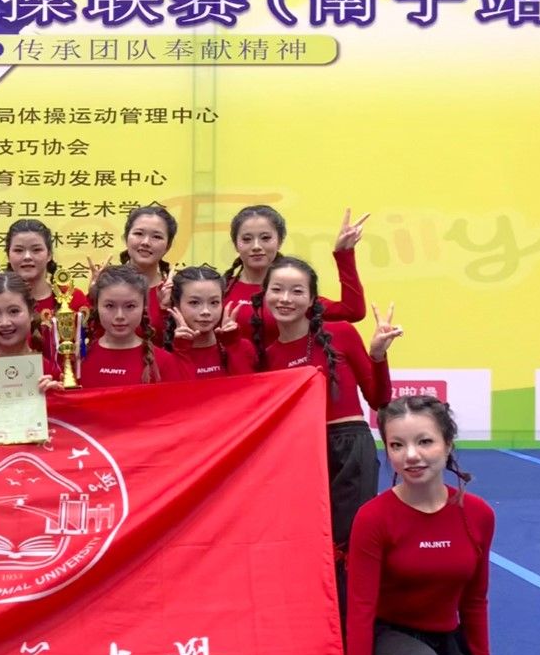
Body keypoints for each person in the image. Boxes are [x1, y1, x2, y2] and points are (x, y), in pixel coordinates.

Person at [347, 397, 500, 655]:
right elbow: (360, 613)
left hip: (449, 652)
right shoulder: (373, 518)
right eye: (397, 445)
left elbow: (474, 602)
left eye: (425, 441)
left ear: (448, 444)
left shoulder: (478, 514)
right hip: (391, 650)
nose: (411, 456)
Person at [253, 257, 402, 598]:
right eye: (277, 290)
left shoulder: (342, 334)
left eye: (297, 291)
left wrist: (378, 356)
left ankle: (353, 617)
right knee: (307, 540)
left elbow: (379, 398)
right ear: (264, 296)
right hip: (299, 454)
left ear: (312, 299)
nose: (285, 299)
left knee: (348, 543)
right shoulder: (267, 356)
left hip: (349, 448)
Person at [222, 205, 368, 346]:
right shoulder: (222, 289)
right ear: (236, 244)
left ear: (279, 242)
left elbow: (353, 312)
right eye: (247, 239)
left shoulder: (292, 292)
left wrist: (344, 255)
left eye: (265, 238)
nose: (256, 246)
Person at [79, 265, 184, 387]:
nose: (119, 316)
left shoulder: (164, 361)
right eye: (109, 306)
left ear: (144, 306)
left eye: (130, 306)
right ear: (97, 306)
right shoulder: (77, 359)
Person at [163, 265, 255, 378]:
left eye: (214, 302)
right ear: (177, 304)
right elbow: (183, 389)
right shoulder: (164, 357)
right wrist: (182, 351)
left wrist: (233, 346)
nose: (205, 311)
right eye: (194, 303)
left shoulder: (243, 347)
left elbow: (248, 386)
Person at [5, 219, 89, 319]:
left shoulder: (73, 297)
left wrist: (97, 295)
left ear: (49, 255)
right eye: (18, 250)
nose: (27, 257)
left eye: (36, 250)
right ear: (8, 256)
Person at [117, 204, 178, 339]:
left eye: (156, 237)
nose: (146, 242)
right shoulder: (107, 286)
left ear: (168, 246)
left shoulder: (176, 291)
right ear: (126, 238)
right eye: (139, 234)